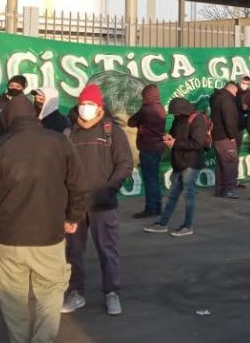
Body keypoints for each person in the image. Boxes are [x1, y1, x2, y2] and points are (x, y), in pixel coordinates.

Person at [0, 94, 88, 343]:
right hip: (50, 236)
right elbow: (79, 186)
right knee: (50, 293)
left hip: (6, 239)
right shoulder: (59, 142)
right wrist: (73, 217)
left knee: (14, 301)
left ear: (9, 119)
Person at [63, 84, 132, 316]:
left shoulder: (112, 131)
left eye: (90, 105)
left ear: (99, 107)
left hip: (103, 203)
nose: (85, 109)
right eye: (82, 104)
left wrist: (109, 188)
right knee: (72, 252)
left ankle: (112, 293)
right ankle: (76, 293)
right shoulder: (70, 131)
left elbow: (125, 163)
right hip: (75, 206)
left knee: (108, 250)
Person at [144, 98, 207, 237]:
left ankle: (187, 225)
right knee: (173, 195)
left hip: (191, 163)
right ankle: (162, 224)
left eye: (176, 113)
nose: (175, 115)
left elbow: (198, 143)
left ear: (183, 109)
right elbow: (173, 133)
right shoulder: (179, 119)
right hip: (179, 162)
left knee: (189, 195)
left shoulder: (197, 119)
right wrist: (168, 137)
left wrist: (175, 143)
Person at [128, 84, 166, 218]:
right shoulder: (161, 108)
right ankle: (158, 207)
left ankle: (150, 208)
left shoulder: (145, 109)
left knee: (150, 179)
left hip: (148, 147)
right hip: (158, 147)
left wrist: (139, 123)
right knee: (155, 178)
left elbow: (130, 122)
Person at [209, 81, 241, 199]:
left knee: (221, 163)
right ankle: (229, 189)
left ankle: (220, 190)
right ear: (231, 89)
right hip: (225, 136)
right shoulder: (227, 100)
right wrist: (232, 136)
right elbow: (229, 120)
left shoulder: (216, 97)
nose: (235, 95)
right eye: (235, 92)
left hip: (217, 136)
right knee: (231, 162)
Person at [0, 75, 27, 145]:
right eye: (11, 85)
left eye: (18, 86)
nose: (14, 88)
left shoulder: (26, 104)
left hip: (18, 142)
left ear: (23, 88)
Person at [236, 75, 250, 152]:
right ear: (239, 81)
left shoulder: (249, 92)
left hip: (240, 123)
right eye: (243, 83)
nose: (245, 85)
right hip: (230, 120)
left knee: (237, 147)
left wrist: (246, 108)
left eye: (247, 83)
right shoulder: (234, 90)